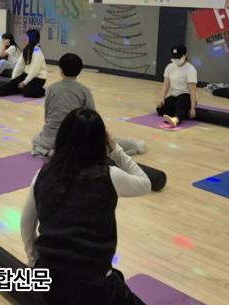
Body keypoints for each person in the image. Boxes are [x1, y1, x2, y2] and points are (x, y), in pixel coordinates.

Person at [21, 108, 150, 305]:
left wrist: (33, 263)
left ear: (62, 138)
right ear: (101, 142)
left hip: (49, 283)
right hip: (94, 287)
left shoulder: (43, 175)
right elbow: (145, 183)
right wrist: (116, 149)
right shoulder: (110, 176)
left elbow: (26, 224)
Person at [0, 29, 47, 98]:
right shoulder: (26, 49)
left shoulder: (37, 52)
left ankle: (43, 91)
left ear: (32, 39)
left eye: (26, 37)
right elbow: (19, 65)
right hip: (27, 74)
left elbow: (35, 71)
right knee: (14, 83)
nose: (24, 39)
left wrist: (24, 82)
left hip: (38, 78)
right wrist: (14, 79)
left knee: (27, 92)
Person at [156, 45, 197, 127]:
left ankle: (175, 120)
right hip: (174, 95)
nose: (176, 59)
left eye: (178, 57)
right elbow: (166, 85)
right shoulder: (169, 67)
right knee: (160, 109)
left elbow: (193, 91)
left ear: (185, 55)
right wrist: (161, 98)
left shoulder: (191, 69)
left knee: (180, 104)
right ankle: (182, 112)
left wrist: (193, 108)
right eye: (174, 57)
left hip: (186, 95)